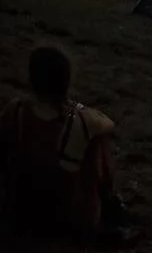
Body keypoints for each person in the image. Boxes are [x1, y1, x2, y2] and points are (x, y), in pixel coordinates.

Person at [0, 45, 125, 240]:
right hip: (69, 219)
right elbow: (108, 124)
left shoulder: (15, 110)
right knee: (98, 141)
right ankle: (107, 204)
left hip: (21, 211)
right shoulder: (80, 120)